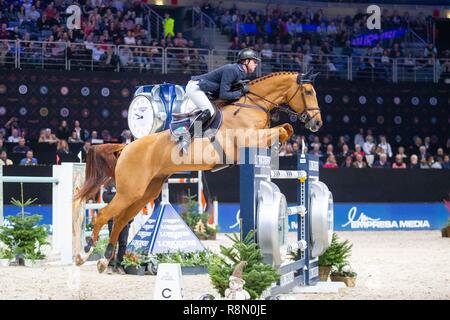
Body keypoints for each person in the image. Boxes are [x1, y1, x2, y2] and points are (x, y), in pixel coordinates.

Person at [103, 182, 132, 275]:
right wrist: (120, 197)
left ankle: (119, 265)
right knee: (112, 243)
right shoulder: (110, 183)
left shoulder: (129, 182)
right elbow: (105, 197)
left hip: (125, 218)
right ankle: (110, 265)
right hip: (112, 218)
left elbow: (133, 199)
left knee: (123, 243)